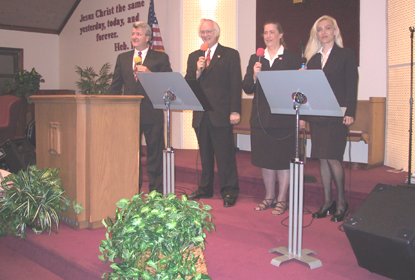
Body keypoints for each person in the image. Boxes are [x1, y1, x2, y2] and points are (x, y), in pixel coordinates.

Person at [301, 15, 358, 222]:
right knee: (322, 158)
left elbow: (352, 84)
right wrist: (304, 116)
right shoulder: (313, 59)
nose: (323, 32)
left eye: (327, 28)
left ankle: (342, 203)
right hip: (317, 115)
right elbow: (307, 90)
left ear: (335, 31)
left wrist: (350, 112)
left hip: (337, 114)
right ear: (316, 34)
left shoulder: (346, 54)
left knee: (334, 158)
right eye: (320, 29)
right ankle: (327, 201)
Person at [242, 21, 302, 215]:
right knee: (266, 159)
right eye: (265, 33)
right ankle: (269, 197)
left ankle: (282, 199)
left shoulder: (292, 58)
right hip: (261, 116)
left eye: (272, 32)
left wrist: (302, 117)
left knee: (283, 160)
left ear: (280, 34)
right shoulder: (256, 58)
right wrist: (253, 75)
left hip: (284, 118)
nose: (268, 36)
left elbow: (299, 88)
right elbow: (248, 88)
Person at [108, 21, 172, 193]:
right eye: (133, 34)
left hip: (152, 113)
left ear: (148, 38)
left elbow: (169, 84)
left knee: (154, 155)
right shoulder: (122, 58)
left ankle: (156, 192)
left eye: (138, 34)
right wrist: (107, 106)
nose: (134, 37)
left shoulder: (160, 57)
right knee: (130, 155)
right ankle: (132, 189)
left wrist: (151, 75)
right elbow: (115, 86)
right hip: (129, 114)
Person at [185, 18, 241, 207]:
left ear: (217, 33)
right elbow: (188, 83)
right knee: (205, 154)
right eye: (203, 32)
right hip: (201, 114)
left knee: (225, 155)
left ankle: (229, 191)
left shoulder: (230, 55)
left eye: (209, 32)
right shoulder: (194, 57)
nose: (206, 35)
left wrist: (235, 110)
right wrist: (198, 72)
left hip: (221, 113)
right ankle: (205, 188)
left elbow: (235, 85)